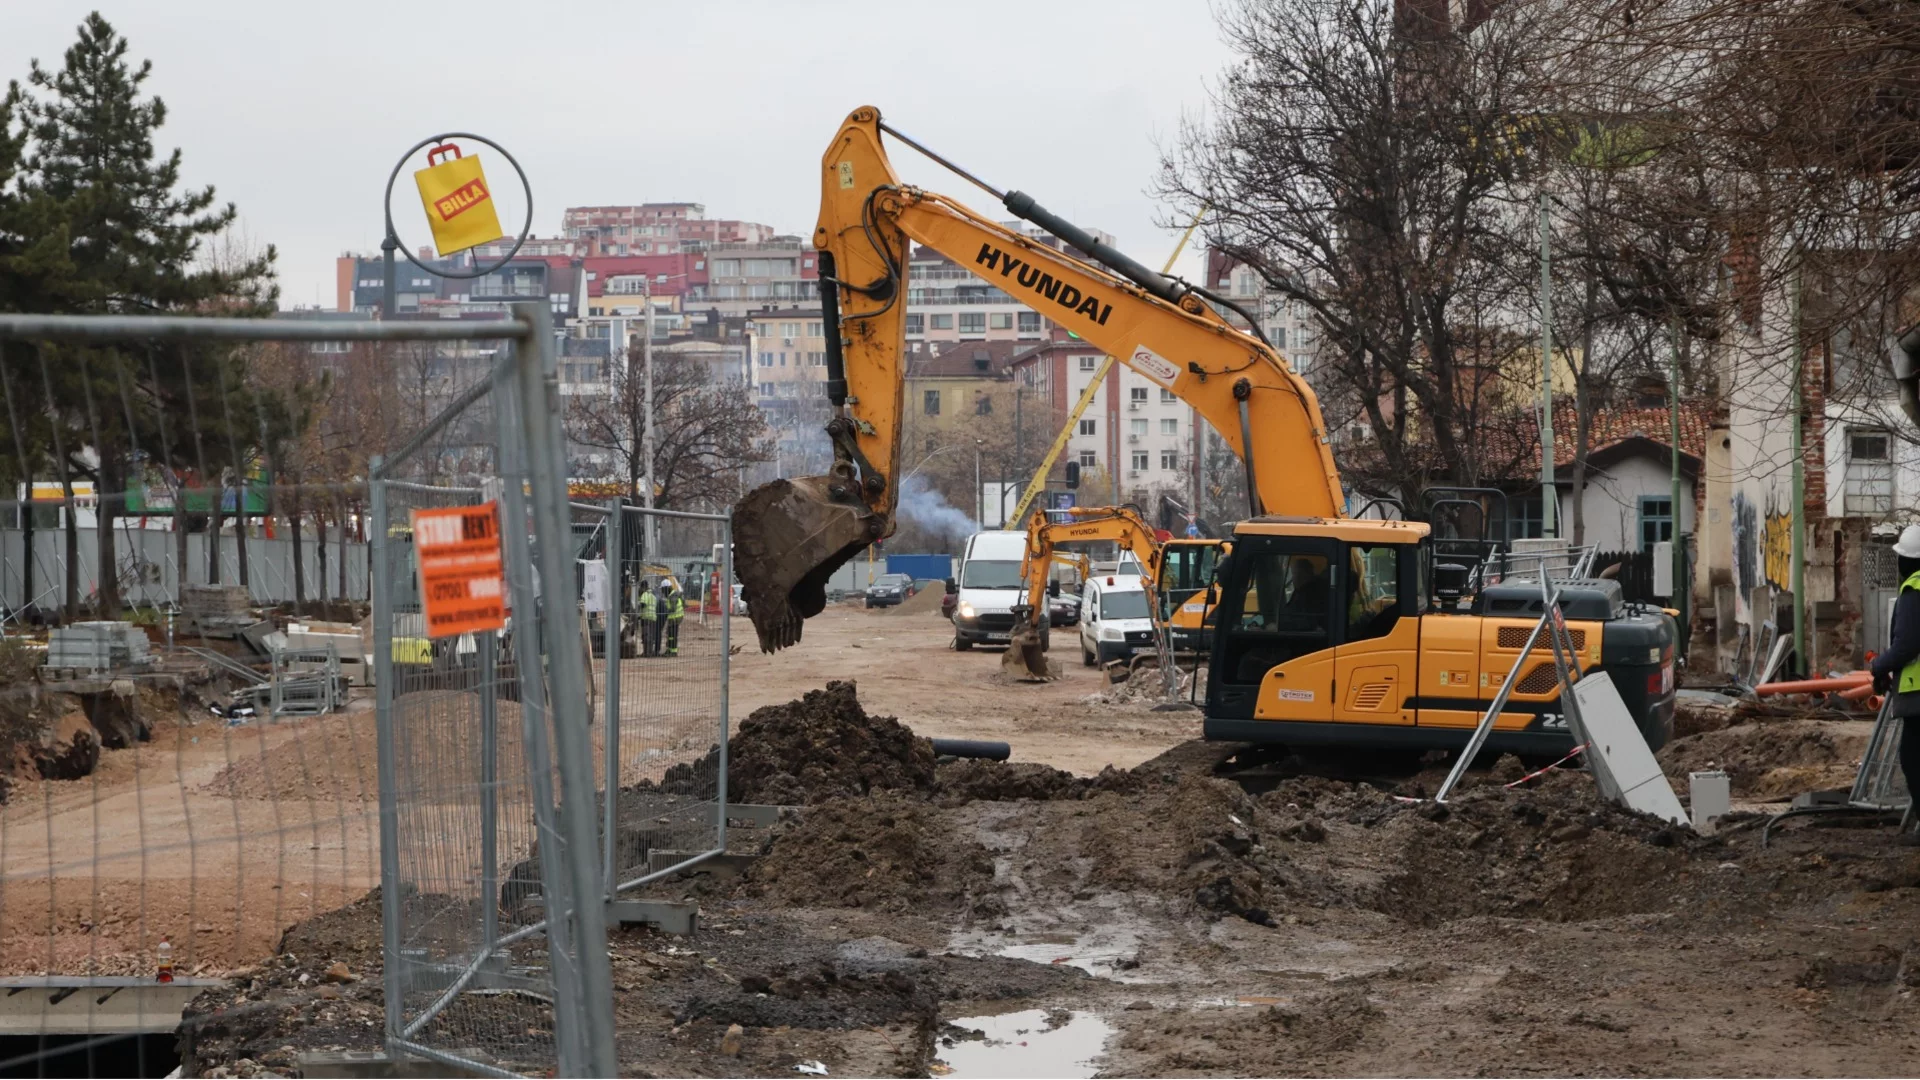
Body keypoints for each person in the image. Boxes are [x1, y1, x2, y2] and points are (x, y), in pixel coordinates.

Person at [1870, 524, 1920, 843]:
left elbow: (1908, 644)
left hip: (1917, 692)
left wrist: (1878, 665)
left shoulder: (1914, 591)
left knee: (1913, 758)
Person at [636, 578, 659, 658]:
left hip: (646, 618)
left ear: (643, 587)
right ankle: (649, 652)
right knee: (651, 636)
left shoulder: (645, 594)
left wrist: (637, 613)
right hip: (653, 618)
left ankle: (646, 653)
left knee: (646, 636)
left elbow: (643, 604)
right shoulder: (653, 596)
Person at [663, 581, 686, 656]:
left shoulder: (672, 596)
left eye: (663, 590)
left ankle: (673, 651)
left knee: (672, 635)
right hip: (675, 618)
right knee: (670, 635)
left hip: (675, 618)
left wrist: (665, 611)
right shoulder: (673, 595)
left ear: (667, 588)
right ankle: (670, 649)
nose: (663, 593)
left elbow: (672, 608)